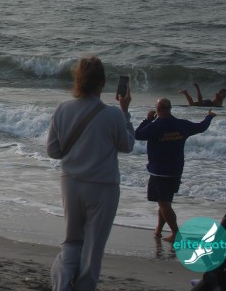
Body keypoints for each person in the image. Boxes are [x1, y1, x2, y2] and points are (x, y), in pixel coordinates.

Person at [46, 56, 134, 291]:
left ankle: (61, 285)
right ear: (102, 82)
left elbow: (53, 151)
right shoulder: (114, 114)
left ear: (78, 80)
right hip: (103, 187)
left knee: (71, 242)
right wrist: (125, 112)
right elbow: (127, 145)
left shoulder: (63, 108)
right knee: (93, 248)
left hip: (71, 183)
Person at [134, 97, 216, 242]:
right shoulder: (181, 124)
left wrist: (147, 120)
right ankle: (159, 230)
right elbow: (201, 127)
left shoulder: (155, 126)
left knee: (163, 203)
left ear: (158, 109)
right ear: (170, 108)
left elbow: (138, 135)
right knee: (165, 202)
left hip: (159, 171)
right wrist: (209, 117)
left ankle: (176, 233)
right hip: (176, 170)